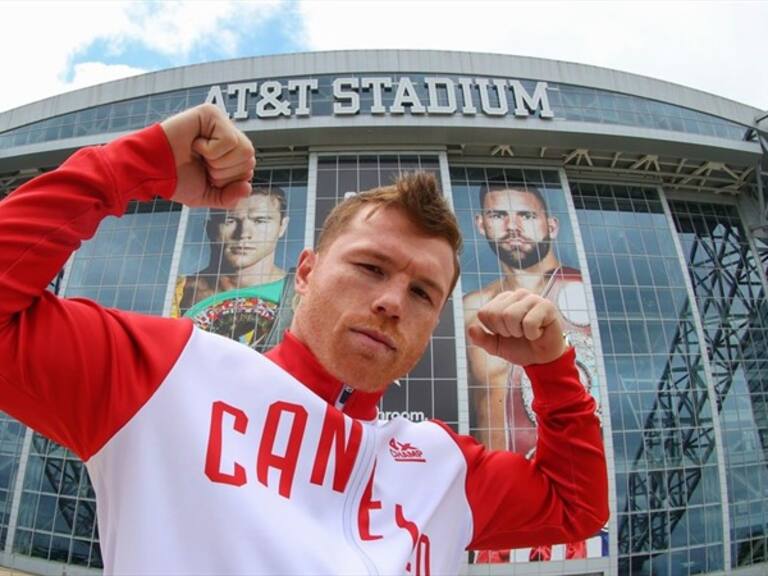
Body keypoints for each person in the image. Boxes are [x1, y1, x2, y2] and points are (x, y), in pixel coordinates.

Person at [0, 103, 607, 575]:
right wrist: (130, 165)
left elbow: (576, 507)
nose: (393, 302)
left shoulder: (441, 465)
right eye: (370, 267)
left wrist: (552, 367)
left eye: (423, 293)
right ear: (307, 272)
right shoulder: (169, 376)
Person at [464, 183, 596, 563]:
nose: (512, 226)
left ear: (551, 225)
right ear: (481, 225)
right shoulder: (470, 307)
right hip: (496, 515)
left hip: (563, 506)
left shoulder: (581, 295)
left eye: (525, 215)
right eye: (498, 215)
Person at [170, 183, 294, 350]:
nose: (243, 234)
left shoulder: (301, 293)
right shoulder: (175, 292)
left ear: (282, 227)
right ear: (210, 229)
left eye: (260, 220)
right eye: (229, 220)